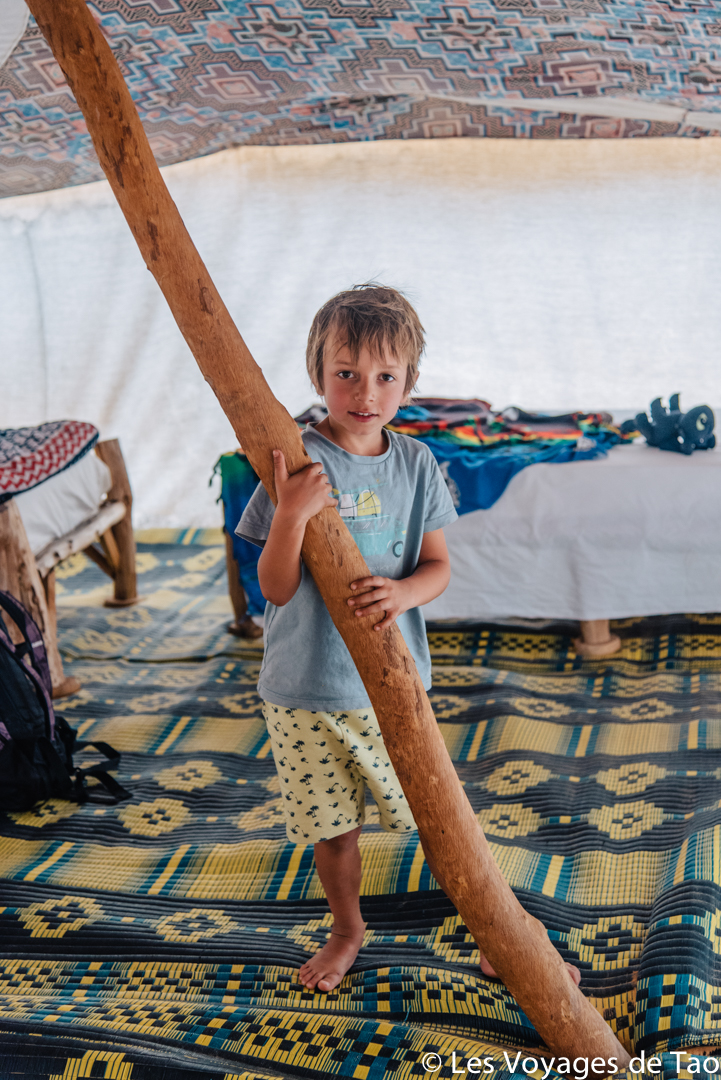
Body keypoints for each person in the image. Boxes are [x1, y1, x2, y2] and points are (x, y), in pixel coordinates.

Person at [237, 284, 581, 993]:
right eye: (346, 373)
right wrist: (291, 514)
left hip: (389, 691)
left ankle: (498, 932)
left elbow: (437, 568)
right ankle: (347, 930)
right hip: (301, 691)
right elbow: (273, 588)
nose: (365, 393)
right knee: (334, 832)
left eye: (385, 376)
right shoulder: (292, 463)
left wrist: (401, 594)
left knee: (440, 821)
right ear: (317, 374)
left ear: (409, 382)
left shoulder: (416, 463)